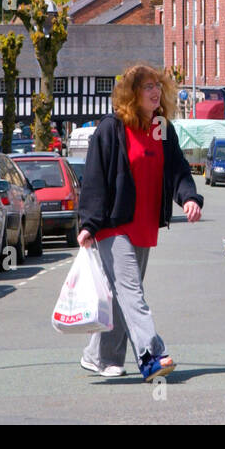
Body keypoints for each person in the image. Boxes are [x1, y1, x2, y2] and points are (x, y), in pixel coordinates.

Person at [76, 64, 203, 382]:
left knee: (124, 293)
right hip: (112, 224)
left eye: (158, 86)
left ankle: (100, 356)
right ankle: (151, 355)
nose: (155, 91)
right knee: (131, 291)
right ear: (131, 94)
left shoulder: (162, 127)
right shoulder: (111, 128)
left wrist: (189, 197)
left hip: (144, 224)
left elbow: (178, 171)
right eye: (147, 86)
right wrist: (89, 223)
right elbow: (94, 177)